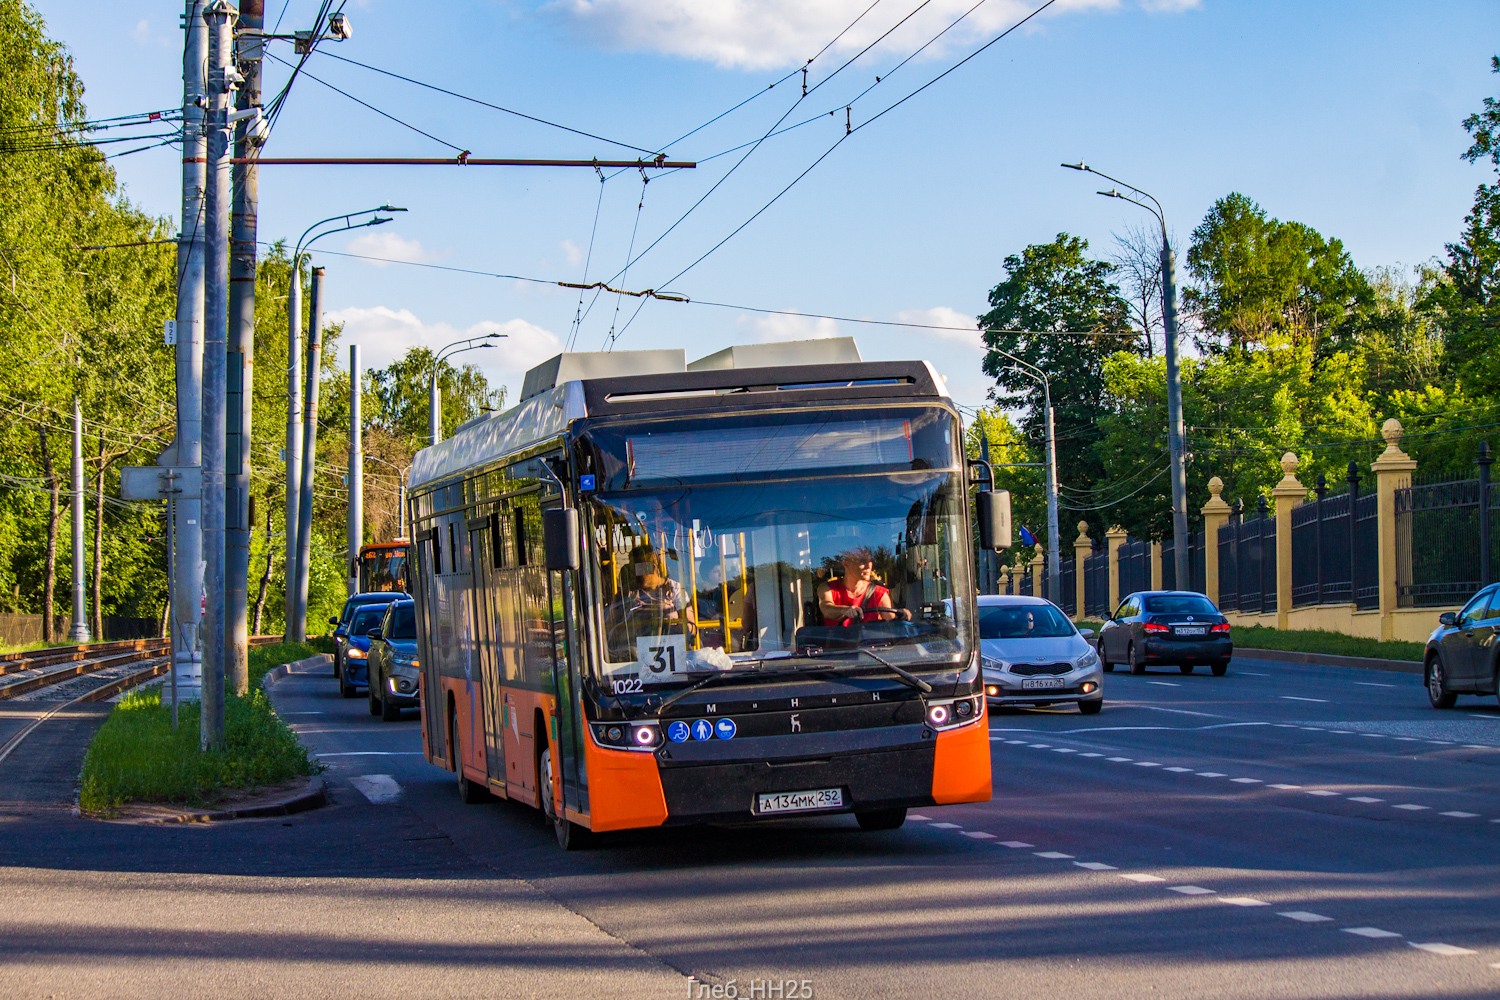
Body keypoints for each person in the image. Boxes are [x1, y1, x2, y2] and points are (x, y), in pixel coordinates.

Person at [612, 544, 696, 637]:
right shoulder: (627, 592)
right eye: (632, 570)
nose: (636, 575)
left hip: (671, 644)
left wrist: (672, 628)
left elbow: (692, 629)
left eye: (639, 570)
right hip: (633, 647)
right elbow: (611, 625)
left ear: (654, 567)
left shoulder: (674, 589)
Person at [819, 547, 911, 627]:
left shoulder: (879, 593)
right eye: (862, 561)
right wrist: (844, 610)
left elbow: (891, 623)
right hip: (837, 646)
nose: (869, 566)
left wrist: (902, 615)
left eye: (870, 562)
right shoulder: (827, 589)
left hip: (870, 645)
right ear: (846, 563)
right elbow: (826, 609)